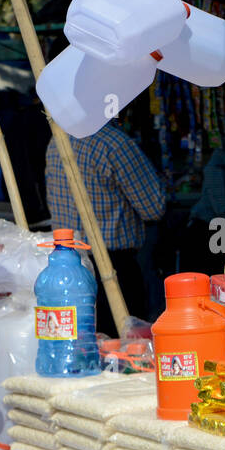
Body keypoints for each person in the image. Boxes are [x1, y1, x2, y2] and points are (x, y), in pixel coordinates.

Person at [44, 120, 166, 327]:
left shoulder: (58, 140)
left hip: (67, 262)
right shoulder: (114, 144)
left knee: (82, 337)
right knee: (122, 343)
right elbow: (153, 208)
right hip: (112, 265)